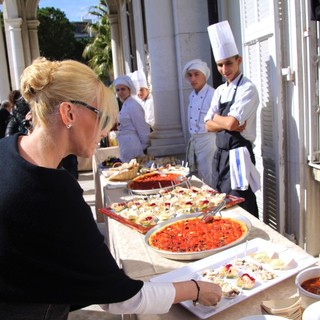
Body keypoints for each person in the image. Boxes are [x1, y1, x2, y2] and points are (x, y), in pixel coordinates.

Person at [0, 57, 222, 319]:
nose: (107, 129)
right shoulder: (55, 192)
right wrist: (195, 289)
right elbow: (120, 298)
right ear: (68, 113)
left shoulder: (6, 149)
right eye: (101, 116)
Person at [204, 21, 260, 217]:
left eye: (229, 63)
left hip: (238, 156)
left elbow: (231, 123)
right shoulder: (220, 91)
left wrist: (218, 120)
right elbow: (207, 125)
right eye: (220, 64)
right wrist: (224, 122)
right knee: (220, 200)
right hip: (220, 156)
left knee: (240, 204)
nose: (224, 69)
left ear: (239, 60)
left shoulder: (248, 89)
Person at [183, 59, 216, 186]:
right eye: (190, 75)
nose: (193, 79)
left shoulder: (212, 94)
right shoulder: (191, 95)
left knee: (209, 175)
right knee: (197, 176)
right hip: (195, 141)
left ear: (204, 75)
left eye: (196, 74)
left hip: (208, 142)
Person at [114, 75, 151, 162]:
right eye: (118, 90)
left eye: (123, 89)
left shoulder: (133, 106)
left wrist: (141, 147)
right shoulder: (125, 105)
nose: (120, 92)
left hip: (134, 146)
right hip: (126, 146)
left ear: (129, 90)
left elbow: (142, 128)